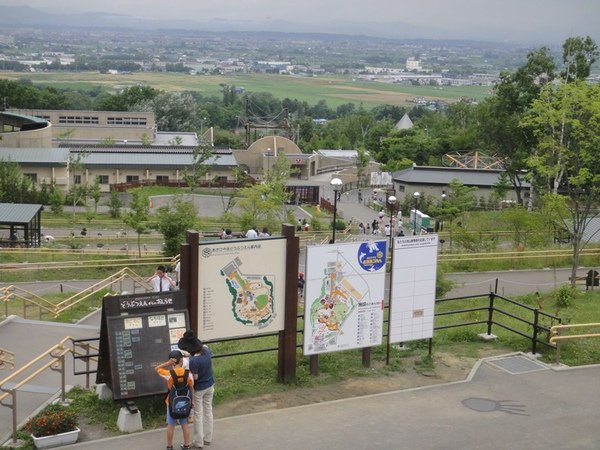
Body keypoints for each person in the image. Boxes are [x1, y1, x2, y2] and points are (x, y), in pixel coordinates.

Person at [155, 350, 194, 450]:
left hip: (172, 402)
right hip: (185, 402)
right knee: (184, 424)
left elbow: (157, 368)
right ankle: (186, 445)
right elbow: (191, 387)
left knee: (171, 425)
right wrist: (192, 402)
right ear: (181, 361)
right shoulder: (188, 373)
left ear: (172, 362)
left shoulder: (169, 374)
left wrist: (167, 363)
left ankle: (169, 446)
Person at [182, 331, 215, 449]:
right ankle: (208, 438)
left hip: (199, 389)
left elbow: (195, 377)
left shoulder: (194, 361)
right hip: (210, 385)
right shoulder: (206, 351)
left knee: (198, 415)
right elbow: (204, 346)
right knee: (208, 411)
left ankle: (198, 442)